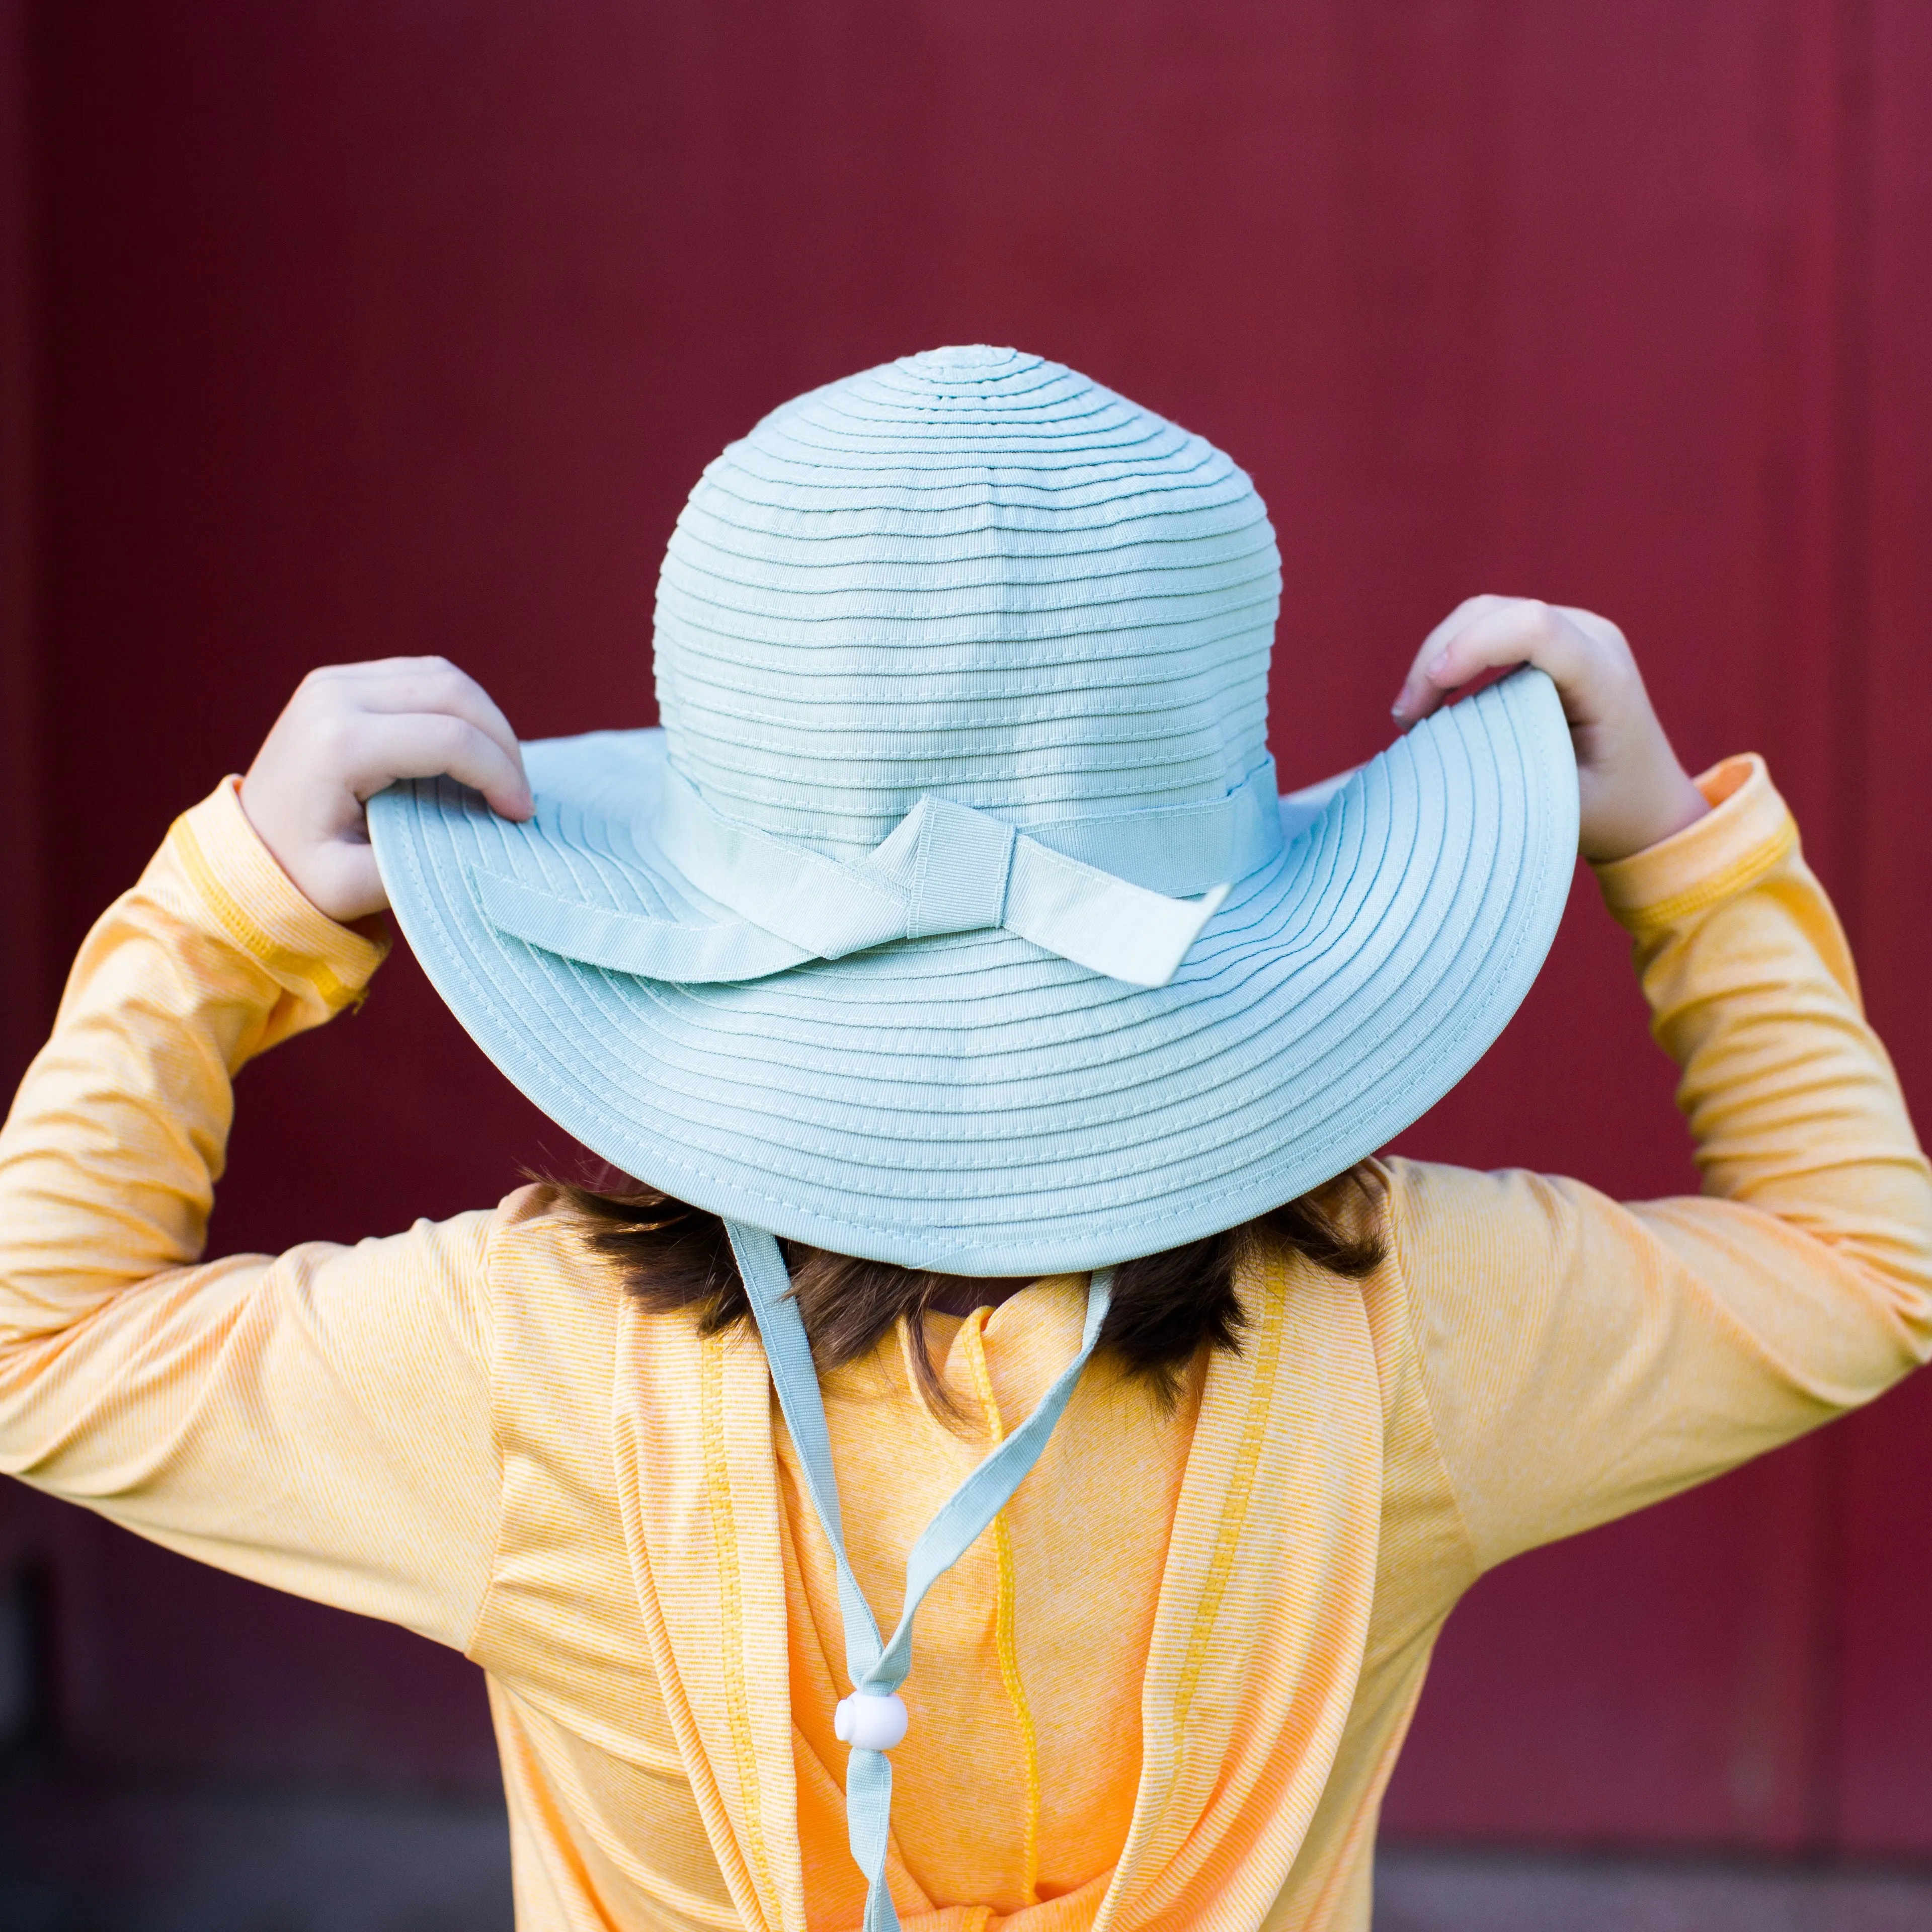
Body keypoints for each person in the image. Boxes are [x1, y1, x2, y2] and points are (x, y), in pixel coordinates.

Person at [2, 346, 1927, 1932]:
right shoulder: (1417, 1332)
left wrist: (231, 912)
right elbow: (1875, 1264)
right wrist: (1680, 856)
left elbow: (34, 1343)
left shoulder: (523, 1372)